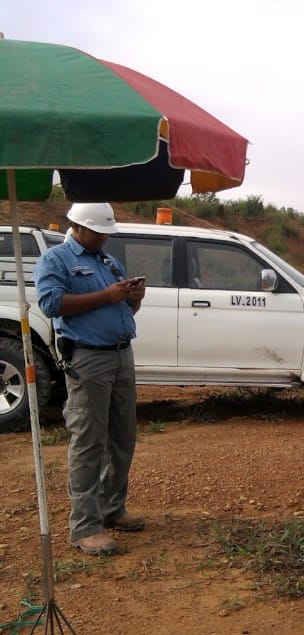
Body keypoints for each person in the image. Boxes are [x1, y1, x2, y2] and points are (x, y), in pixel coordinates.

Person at [34, 202, 146, 556]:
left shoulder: (109, 262)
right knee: (89, 441)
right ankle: (85, 526)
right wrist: (108, 295)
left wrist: (133, 298)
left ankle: (112, 508)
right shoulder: (56, 260)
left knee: (123, 436)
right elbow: (51, 304)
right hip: (88, 358)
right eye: (99, 232)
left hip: (120, 354)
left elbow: (123, 308)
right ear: (78, 227)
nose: (104, 238)